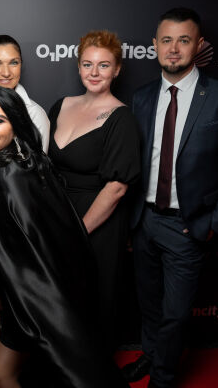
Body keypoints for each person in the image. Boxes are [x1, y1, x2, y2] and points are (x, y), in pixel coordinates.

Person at [0, 86, 129, 388]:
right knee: (5, 373)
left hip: (37, 297)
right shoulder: (20, 162)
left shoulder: (9, 173)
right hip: (31, 293)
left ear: (15, 125)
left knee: (6, 374)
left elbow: (25, 245)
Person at [122, 8, 218, 388]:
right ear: (155, 45)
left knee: (176, 314)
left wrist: (213, 223)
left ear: (199, 45)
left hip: (187, 227)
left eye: (183, 40)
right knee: (149, 304)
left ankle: (163, 378)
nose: (174, 49)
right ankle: (150, 356)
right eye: (166, 40)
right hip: (144, 221)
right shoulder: (142, 97)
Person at [47, 30, 140, 352]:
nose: (94, 72)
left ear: (117, 69)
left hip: (96, 225)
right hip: (58, 216)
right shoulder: (61, 105)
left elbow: (116, 188)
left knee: (89, 306)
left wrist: (77, 232)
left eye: (104, 65)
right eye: (88, 64)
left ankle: (90, 373)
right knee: (56, 304)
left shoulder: (121, 118)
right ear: (78, 67)